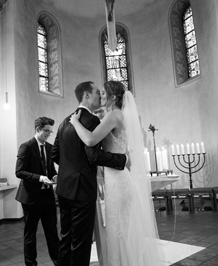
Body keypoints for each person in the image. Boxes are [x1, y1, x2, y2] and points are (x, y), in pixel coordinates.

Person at [69, 80, 164, 266]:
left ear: (113, 96)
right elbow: (123, 151)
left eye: (103, 94)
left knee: (117, 229)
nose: (101, 97)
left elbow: (89, 140)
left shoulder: (113, 116)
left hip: (117, 181)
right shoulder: (119, 115)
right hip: (119, 177)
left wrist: (75, 122)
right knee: (120, 227)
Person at [51, 81, 127, 266]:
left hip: (63, 188)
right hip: (82, 188)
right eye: (96, 93)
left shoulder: (64, 122)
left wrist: (71, 169)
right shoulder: (91, 120)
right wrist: (122, 160)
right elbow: (93, 156)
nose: (99, 96)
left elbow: (55, 154)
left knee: (66, 237)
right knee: (81, 242)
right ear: (86, 95)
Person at [15, 117, 59, 266]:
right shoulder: (26, 146)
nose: (48, 134)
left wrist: (55, 176)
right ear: (37, 129)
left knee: (52, 232)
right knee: (30, 234)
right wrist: (40, 178)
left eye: (50, 131)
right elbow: (19, 172)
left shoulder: (50, 147)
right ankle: (31, 263)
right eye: (46, 131)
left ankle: (58, 261)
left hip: (47, 196)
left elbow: (51, 170)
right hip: (30, 197)